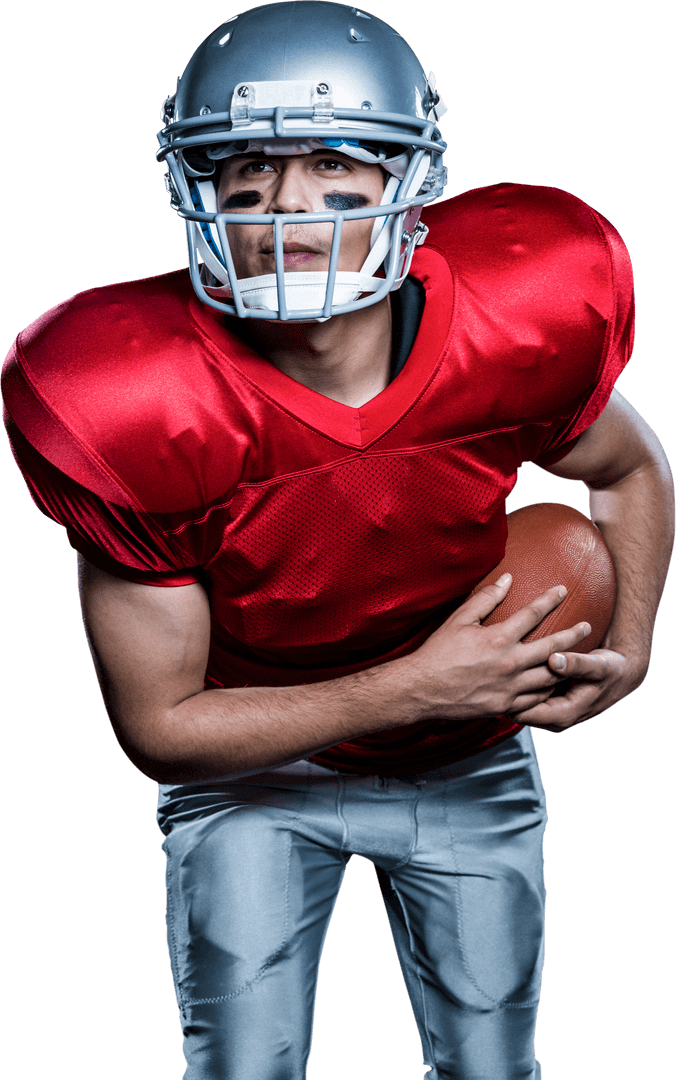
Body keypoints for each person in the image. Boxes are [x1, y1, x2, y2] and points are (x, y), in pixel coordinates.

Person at [1, 3, 673, 1078]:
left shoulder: (517, 313)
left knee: (493, 1061)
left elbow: (627, 469)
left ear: (411, 187)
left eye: (334, 163)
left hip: (468, 760)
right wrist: (420, 683)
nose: (287, 207)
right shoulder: (127, 397)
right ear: (198, 192)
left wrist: (631, 639)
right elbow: (162, 728)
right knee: (243, 1067)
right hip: (256, 771)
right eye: (247, 174)